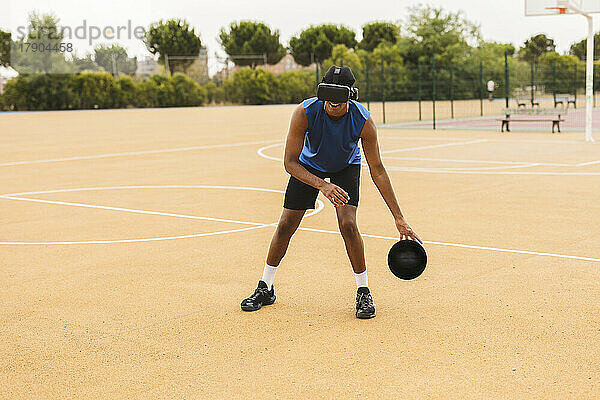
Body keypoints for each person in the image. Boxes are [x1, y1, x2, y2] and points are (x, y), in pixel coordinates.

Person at [241, 66, 422, 319]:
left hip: (345, 166)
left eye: (339, 103)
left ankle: (363, 291)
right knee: (285, 225)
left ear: (350, 97)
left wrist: (398, 217)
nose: (332, 106)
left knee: (348, 224)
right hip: (308, 165)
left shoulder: (363, 120)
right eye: (328, 102)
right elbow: (290, 163)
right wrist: (322, 186)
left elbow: (378, 170)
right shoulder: (305, 112)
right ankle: (265, 287)